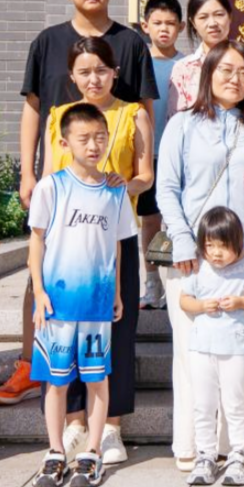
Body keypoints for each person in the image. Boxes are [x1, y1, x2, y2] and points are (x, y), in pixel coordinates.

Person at [0, 0, 155, 409]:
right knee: (43, 275)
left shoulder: (131, 43)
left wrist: (132, 179)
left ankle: (103, 399)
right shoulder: (48, 41)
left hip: (108, 196)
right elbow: (33, 108)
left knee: (110, 288)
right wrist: (28, 172)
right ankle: (31, 364)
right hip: (60, 183)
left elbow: (143, 111)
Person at [39, 36, 154, 465]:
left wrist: (124, 185)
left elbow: (145, 174)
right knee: (63, 328)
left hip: (114, 235)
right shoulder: (59, 117)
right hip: (65, 242)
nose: (94, 79)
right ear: (72, 76)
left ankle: (110, 427)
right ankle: (73, 422)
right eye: (84, 72)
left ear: (115, 73)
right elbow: (50, 173)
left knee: (116, 333)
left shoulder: (133, 114)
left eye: (101, 70)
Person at [157, 40, 244, 472]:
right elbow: (167, 187)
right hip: (194, 255)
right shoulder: (183, 125)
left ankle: (236, 445)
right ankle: (193, 443)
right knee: (193, 352)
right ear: (208, 74)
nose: (235, 79)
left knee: (239, 353)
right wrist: (184, 240)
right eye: (226, 70)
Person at [27, 103, 137, 487]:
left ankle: (92, 452)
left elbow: (118, 245)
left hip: (97, 304)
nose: (93, 145)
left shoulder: (115, 191)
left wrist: (117, 292)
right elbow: (36, 241)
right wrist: (39, 291)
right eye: (84, 138)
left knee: (97, 379)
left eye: (100, 138)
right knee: (56, 381)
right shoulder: (51, 187)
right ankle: (55, 451)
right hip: (57, 305)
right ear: (64, 142)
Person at [179, 207, 244, 487]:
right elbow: (184, 300)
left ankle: (240, 453)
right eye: (210, 246)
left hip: (236, 347)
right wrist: (200, 306)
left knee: (235, 402)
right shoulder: (200, 266)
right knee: (203, 403)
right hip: (202, 347)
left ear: (237, 242)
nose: (216, 253)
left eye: (222, 246)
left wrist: (241, 302)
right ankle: (205, 454)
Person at [139, 0, 185, 310]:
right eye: (157, 23)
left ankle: (179, 281)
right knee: (151, 221)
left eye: (170, 23)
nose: (164, 29)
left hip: (180, 155)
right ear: (146, 26)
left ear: (181, 26)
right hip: (147, 155)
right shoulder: (139, 62)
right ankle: (153, 282)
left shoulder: (187, 65)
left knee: (179, 218)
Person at [167, 0, 244, 119]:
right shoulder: (183, 68)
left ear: (230, 16)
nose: (212, 23)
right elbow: (175, 119)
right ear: (193, 22)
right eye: (203, 17)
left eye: (219, 15)